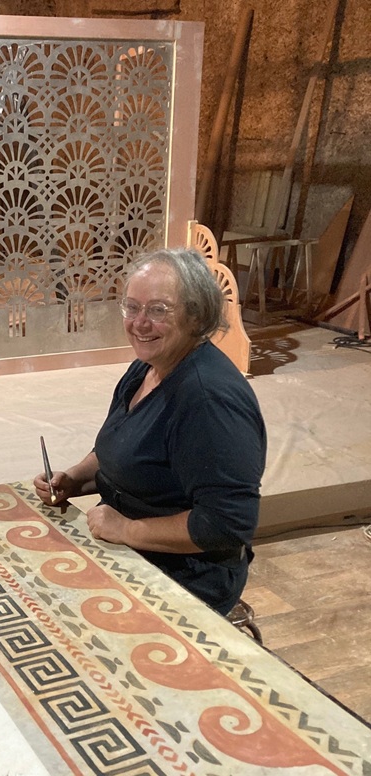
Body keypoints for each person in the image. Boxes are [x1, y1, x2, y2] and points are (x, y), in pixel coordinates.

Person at [34, 247, 267, 616]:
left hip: (189, 575)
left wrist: (127, 530)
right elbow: (123, 450)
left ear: (196, 315)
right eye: (132, 307)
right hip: (129, 546)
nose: (140, 323)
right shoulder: (147, 368)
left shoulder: (207, 399)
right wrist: (75, 479)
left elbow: (225, 524)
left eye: (158, 310)